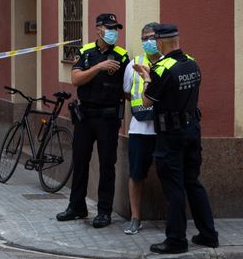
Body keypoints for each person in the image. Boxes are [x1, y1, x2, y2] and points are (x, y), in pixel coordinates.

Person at [134, 23, 218, 254]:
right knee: (193, 183)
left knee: (174, 188)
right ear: (177, 40)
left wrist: (146, 77)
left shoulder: (161, 68)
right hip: (192, 130)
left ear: (160, 42)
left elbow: (147, 100)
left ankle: (176, 240)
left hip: (171, 136)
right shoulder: (192, 62)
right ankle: (209, 235)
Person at [57, 13, 129, 228]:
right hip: (85, 117)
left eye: (115, 29)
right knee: (80, 161)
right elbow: (75, 79)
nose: (113, 32)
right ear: (98, 29)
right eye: (109, 28)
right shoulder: (85, 52)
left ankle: (104, 211)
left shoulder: (123, 56)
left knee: (108, 165)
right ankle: (76, 206)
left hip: (108, 118)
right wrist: (99, 67)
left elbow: (126, 89)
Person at [122, 23, 161, 235]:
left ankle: (173, 219)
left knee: (170, 175)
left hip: (163, 129)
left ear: (161, 39)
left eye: (153, 37)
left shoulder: (168, 63)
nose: (149, 42)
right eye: (145, 38)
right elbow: (127, 93)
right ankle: (135, 218)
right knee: (136, 174)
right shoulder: (133, 64)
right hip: (139, 129)